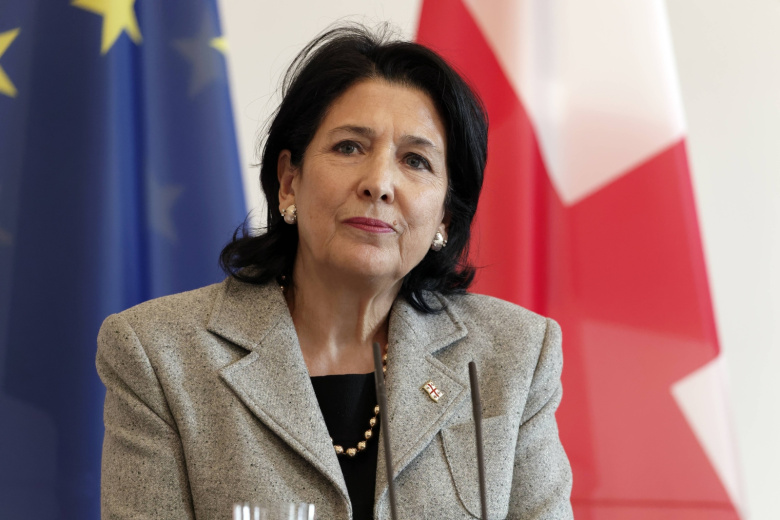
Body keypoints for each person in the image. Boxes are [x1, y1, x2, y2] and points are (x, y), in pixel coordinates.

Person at [97, 24, 573, 519]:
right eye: (349, 147)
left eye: (416, 160)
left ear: (445, 217)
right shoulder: (159, 354)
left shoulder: (515, 354)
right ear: (289, 180)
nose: (379, 183)